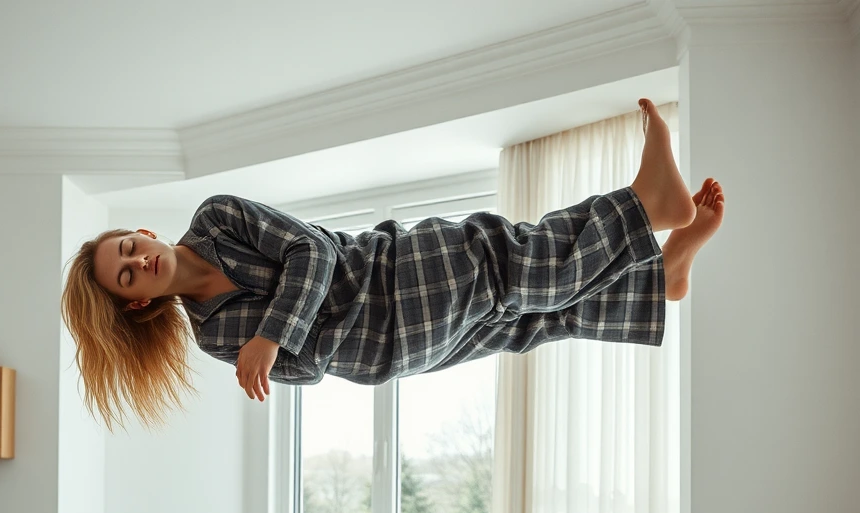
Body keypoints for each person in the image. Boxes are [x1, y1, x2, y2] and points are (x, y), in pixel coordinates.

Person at [62, 99, 723, 429]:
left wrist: (275, 332)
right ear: (137, 303)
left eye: (128, 247)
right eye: (126, 275)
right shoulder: (212, 334)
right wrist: (291, 330)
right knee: (501, 259)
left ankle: (657, 279)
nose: (138, 261)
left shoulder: (216, 219)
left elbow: (312, 250)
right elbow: (307, 363)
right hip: (388, 323)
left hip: (388, 299)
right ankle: (645, 203)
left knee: (524, 314)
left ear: (142, 232)